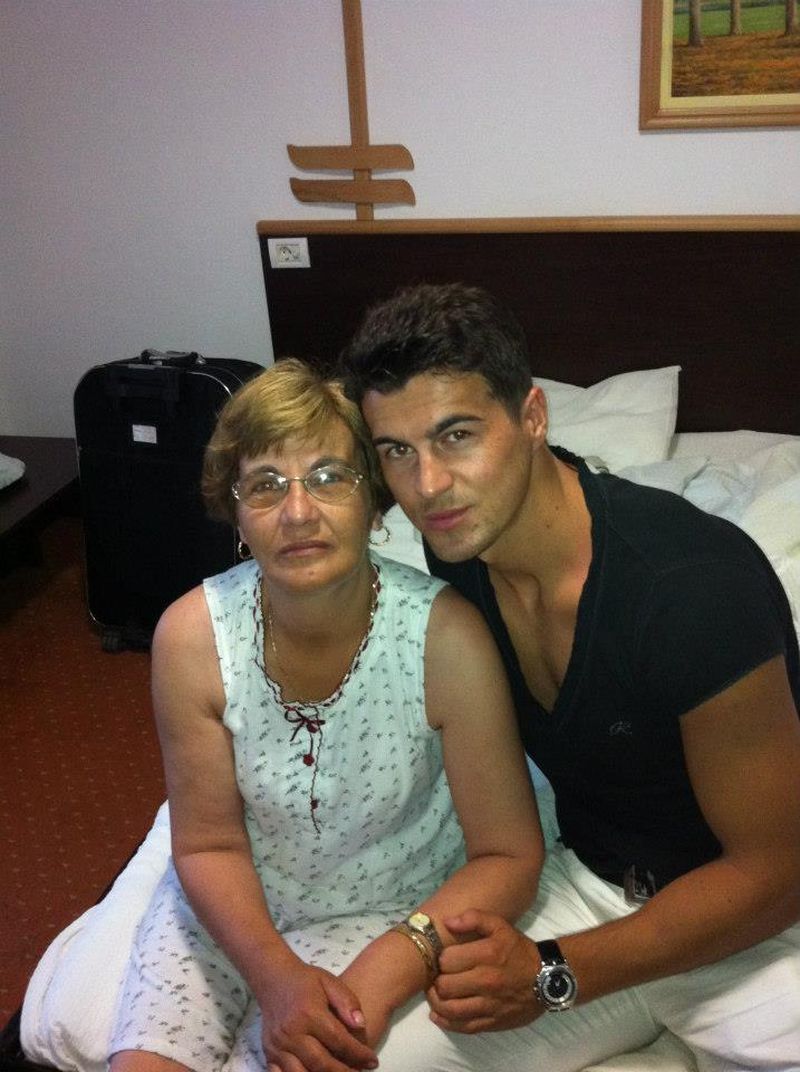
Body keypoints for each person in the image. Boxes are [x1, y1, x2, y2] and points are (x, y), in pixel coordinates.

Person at [338, 283, 800, 1071]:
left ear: (532, 417)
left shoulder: (691, 588)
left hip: (753, 931)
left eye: (456, 435)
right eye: (397, 452)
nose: (428, 486)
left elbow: (780, 872)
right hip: (592, 890)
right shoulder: (463, 560)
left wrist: (555, 973)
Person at [106, 358, 542, 1072]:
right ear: (236, 513)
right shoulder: (191, 637)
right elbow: (208, 846)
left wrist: (387, 967)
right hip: (232, 906)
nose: (298, 512)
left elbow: (509, 855)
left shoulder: (445, 638)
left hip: (387, 908)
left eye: (330, 477)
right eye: (265, 485)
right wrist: (275, 975)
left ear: (375, 503)